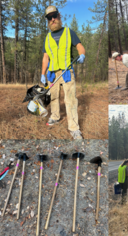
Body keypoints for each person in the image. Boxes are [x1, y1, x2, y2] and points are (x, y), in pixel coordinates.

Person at [41, 6, 86, 139]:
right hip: (52, 74)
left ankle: (74, 128)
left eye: (54, 16)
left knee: (71, 100)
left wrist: (82, 55)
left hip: (67, 72)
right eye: (50, 17)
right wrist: (42, 74)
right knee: (53, 98)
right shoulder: (47, 37)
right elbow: (45, 57)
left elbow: (79, 46)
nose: (53, 19)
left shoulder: (68, 32)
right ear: (48, 20)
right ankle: (55, 117)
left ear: (59, 16)